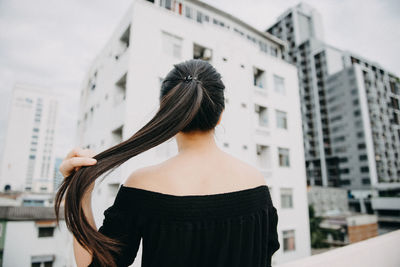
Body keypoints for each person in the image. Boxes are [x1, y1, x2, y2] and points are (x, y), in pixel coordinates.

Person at [56, 59, 280, 267]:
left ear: (168, 112)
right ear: (220, 115)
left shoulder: (142, 184)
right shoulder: (256, 181)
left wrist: (81, 196)